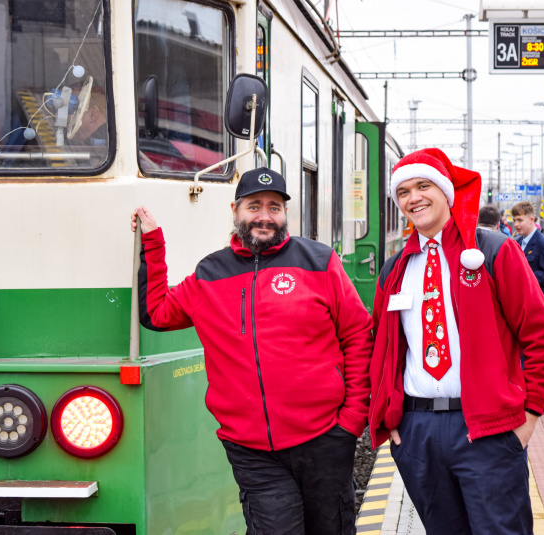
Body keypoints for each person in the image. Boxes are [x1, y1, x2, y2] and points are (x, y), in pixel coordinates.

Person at [131, 167, 372, 534]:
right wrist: (153, 242)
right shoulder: (209, 274)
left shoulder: (319, 261)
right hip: (252, 449)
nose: (264, 216)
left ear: (285, 214)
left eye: (274, 207)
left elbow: (358, 335)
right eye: (254, 206)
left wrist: (351, 420)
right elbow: (157, 313)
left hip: (324, 439)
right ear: (235, 210)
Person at [368, 148, 544, 534]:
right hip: (417, 430)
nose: (413, 198)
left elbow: (539, 335)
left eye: (423, 186)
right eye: (403, 192)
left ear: (445, 192)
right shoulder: (395, 269)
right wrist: (390, 417)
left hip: (487, 432)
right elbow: (383, 347)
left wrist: (531, 415)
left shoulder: (491, 250)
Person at [512, 200, 544, 316]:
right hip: (523, 304)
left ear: (532, 219)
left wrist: (524, 277)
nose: (516, 224)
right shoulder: (516, 242)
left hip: (539, 305)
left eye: (520, 220)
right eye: (514, 220)